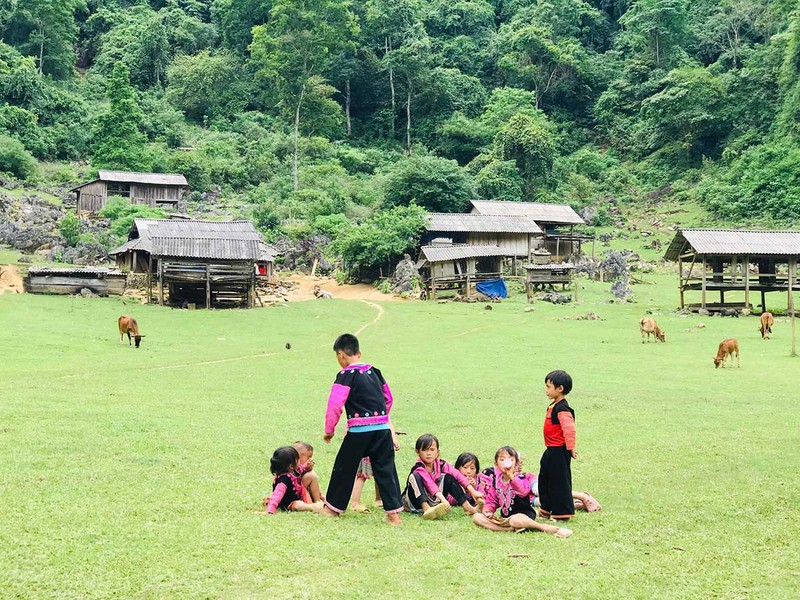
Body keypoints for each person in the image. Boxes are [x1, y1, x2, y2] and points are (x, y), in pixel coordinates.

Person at [322, 333, 404, 525]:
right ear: (359, 353)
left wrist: (330, 430)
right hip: (382, 429)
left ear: (341, 355)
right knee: (386, 469)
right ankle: (393, 515)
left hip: (359, 431)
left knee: (344, 467)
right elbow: (388, 398)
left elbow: (335, 404)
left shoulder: (345, 375)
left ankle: (332, 509)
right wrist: (381, 417)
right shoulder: (375, 371)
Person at [472, 446, 571, 537]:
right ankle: (508, 529)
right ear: (496, 464)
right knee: (477, 517)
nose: (506, 462)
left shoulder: (521, 478)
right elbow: (492, 500)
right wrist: (487, 511)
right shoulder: (496, 481)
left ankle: (545, 528)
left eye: (511, 459)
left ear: (516, 463)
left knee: (516, 520)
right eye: (502, 459)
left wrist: (512, 477)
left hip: (523, 515)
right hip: (506, 518)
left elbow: (523, 491)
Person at [402, 434, 484, 519]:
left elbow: (457, 474)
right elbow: (429, 483)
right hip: (415, 501)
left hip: (433, 499)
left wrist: (473, 491)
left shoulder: (441, 464)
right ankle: (426, 509)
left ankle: (468, 508)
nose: (429, 453)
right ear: (418, 452)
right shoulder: (418, 467)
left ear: (437, 452)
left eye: (432, 450)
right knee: (415, 476)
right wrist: (443, 500)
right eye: (425, 450)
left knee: (448, 477)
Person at [538, 370, 577, 521]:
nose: (546, 390)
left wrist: (570, 448)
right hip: (550, 450)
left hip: (559, 450)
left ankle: (563, 513)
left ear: (560, 389)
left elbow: (569, 430)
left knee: (559, 481)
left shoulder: (562, 408)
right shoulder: (554, 405)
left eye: (549, 387)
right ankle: (545, 508)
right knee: (544, 478)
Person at [350, 420, 400, 513]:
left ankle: (379, 499)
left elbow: (388, 423)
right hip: (367, 449)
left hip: (379, 447)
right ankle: (355, 502)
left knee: (380, 474)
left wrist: (394, 439)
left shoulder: (382, 411)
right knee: (362, 476)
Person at [258, 446, 323, 514]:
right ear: (291, 466)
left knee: (299, 502)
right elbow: (276, 496)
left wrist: (306, 467)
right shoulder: (283, 481)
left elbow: (301, 470)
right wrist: (270, 511)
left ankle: (318, 503)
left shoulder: (292, 470)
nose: (300, 461)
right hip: (289, 504)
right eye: (298, 459)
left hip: (296, 497)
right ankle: (313, 507)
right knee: (297, 505)